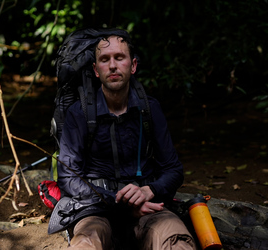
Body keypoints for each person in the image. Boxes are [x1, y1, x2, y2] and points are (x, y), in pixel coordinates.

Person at [54, 29, 197, 249]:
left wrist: (149, 191)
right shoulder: (79, 113)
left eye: (119, 57)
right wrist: (118, 202)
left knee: (177, 242)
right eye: (104, 59)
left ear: (133, 65)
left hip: (147, 207)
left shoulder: (150, 109)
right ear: (95, 69)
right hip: (96, 209)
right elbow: (67, 178)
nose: (112, 65)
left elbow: (173, 169)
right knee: (84, 244)